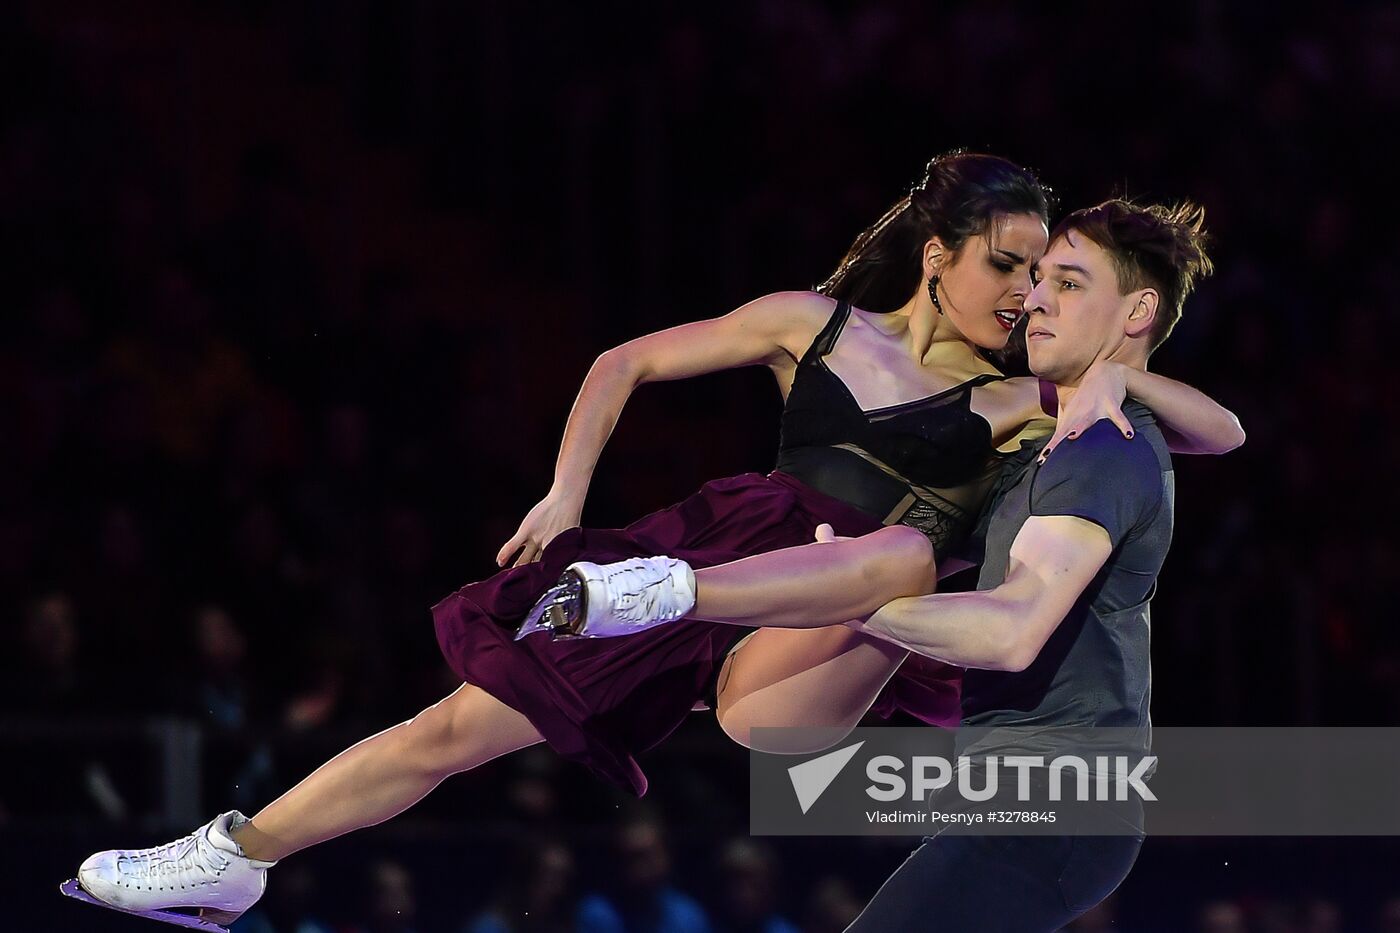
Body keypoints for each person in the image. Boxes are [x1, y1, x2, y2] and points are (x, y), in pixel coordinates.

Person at [69, 155, 1238, 927]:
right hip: (729, 560)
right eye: (1006, 265)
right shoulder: (812, 326)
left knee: (898, 559)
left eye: (1044, 276)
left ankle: (661, 592)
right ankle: (232, 860)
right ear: (937, 254)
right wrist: (563, 491)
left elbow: (1216, 427)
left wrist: (1122, 378)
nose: (1023, 293)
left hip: (811, 623)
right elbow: (622, 359)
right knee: (448, 730)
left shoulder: (1015, 401)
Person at [554, 199, 1212, 930]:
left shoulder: (1102, 449)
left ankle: (675, 593)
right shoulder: (1068, 436)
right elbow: (1226, 431)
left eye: (1069, 283)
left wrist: (851, 599)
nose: (1035, 300)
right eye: (1038, 279)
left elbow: (1011, 631)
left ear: (1137, 310)